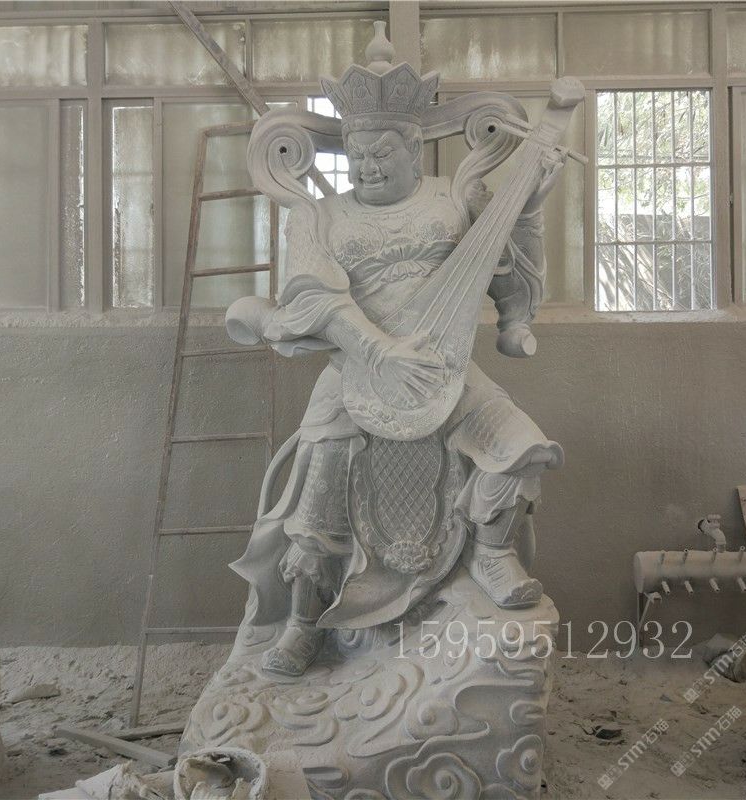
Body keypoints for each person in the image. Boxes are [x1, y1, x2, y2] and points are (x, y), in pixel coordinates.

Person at [226, 25, 565, 678]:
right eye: (357, 153)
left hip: (441, 366)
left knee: (522, 444)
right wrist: (378, 352)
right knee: (317, 494)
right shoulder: (322, 215)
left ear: (413, 149)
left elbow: (503, 274)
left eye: (382, 152)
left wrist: (528, 210)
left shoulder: (453, 199)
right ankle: (303, 622)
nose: (367, 166)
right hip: (355, 366)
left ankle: (492, 553)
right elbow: (313, 295)